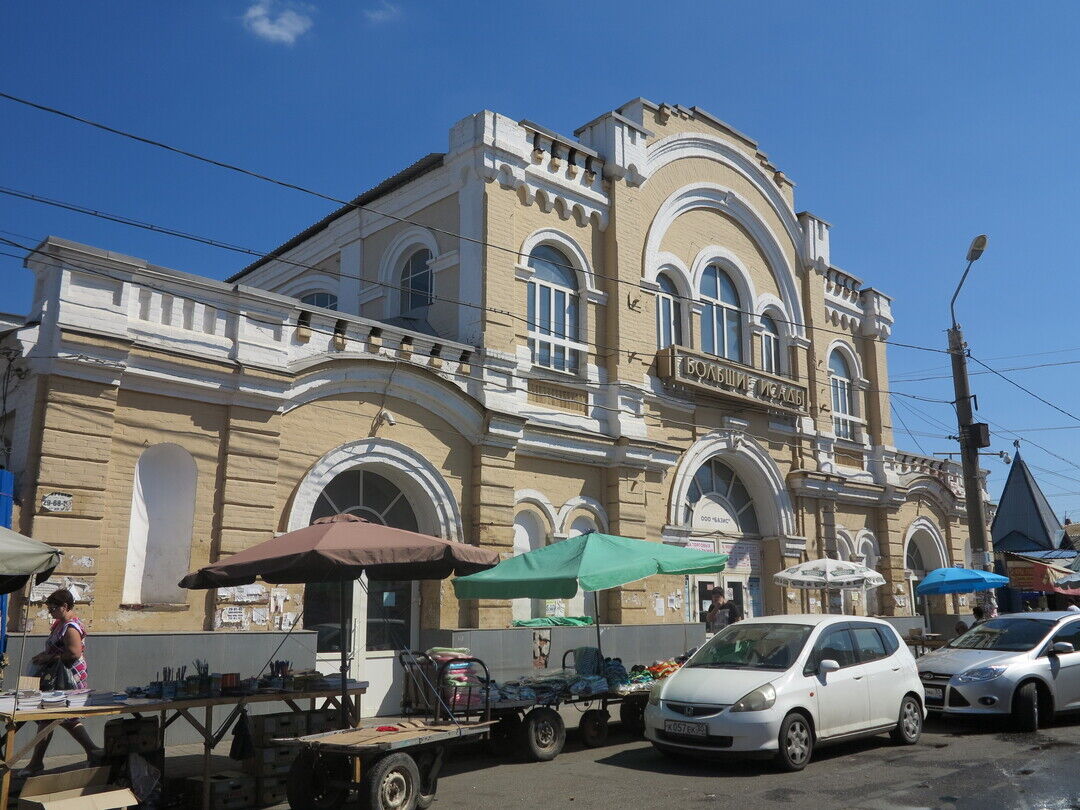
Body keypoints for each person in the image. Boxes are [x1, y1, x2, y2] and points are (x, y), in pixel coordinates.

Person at [18, 589, 103, 776]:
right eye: (49, 609)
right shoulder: (61, 623)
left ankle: (35, 763)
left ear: (65, 606)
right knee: (63, 718)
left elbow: (74, 653)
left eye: (53, 608)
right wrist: (44, 656)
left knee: (50, 717)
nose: (51, 612)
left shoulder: (71, 627)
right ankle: (93, 751)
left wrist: (48, 658)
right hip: (58, 678)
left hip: (67, 678)